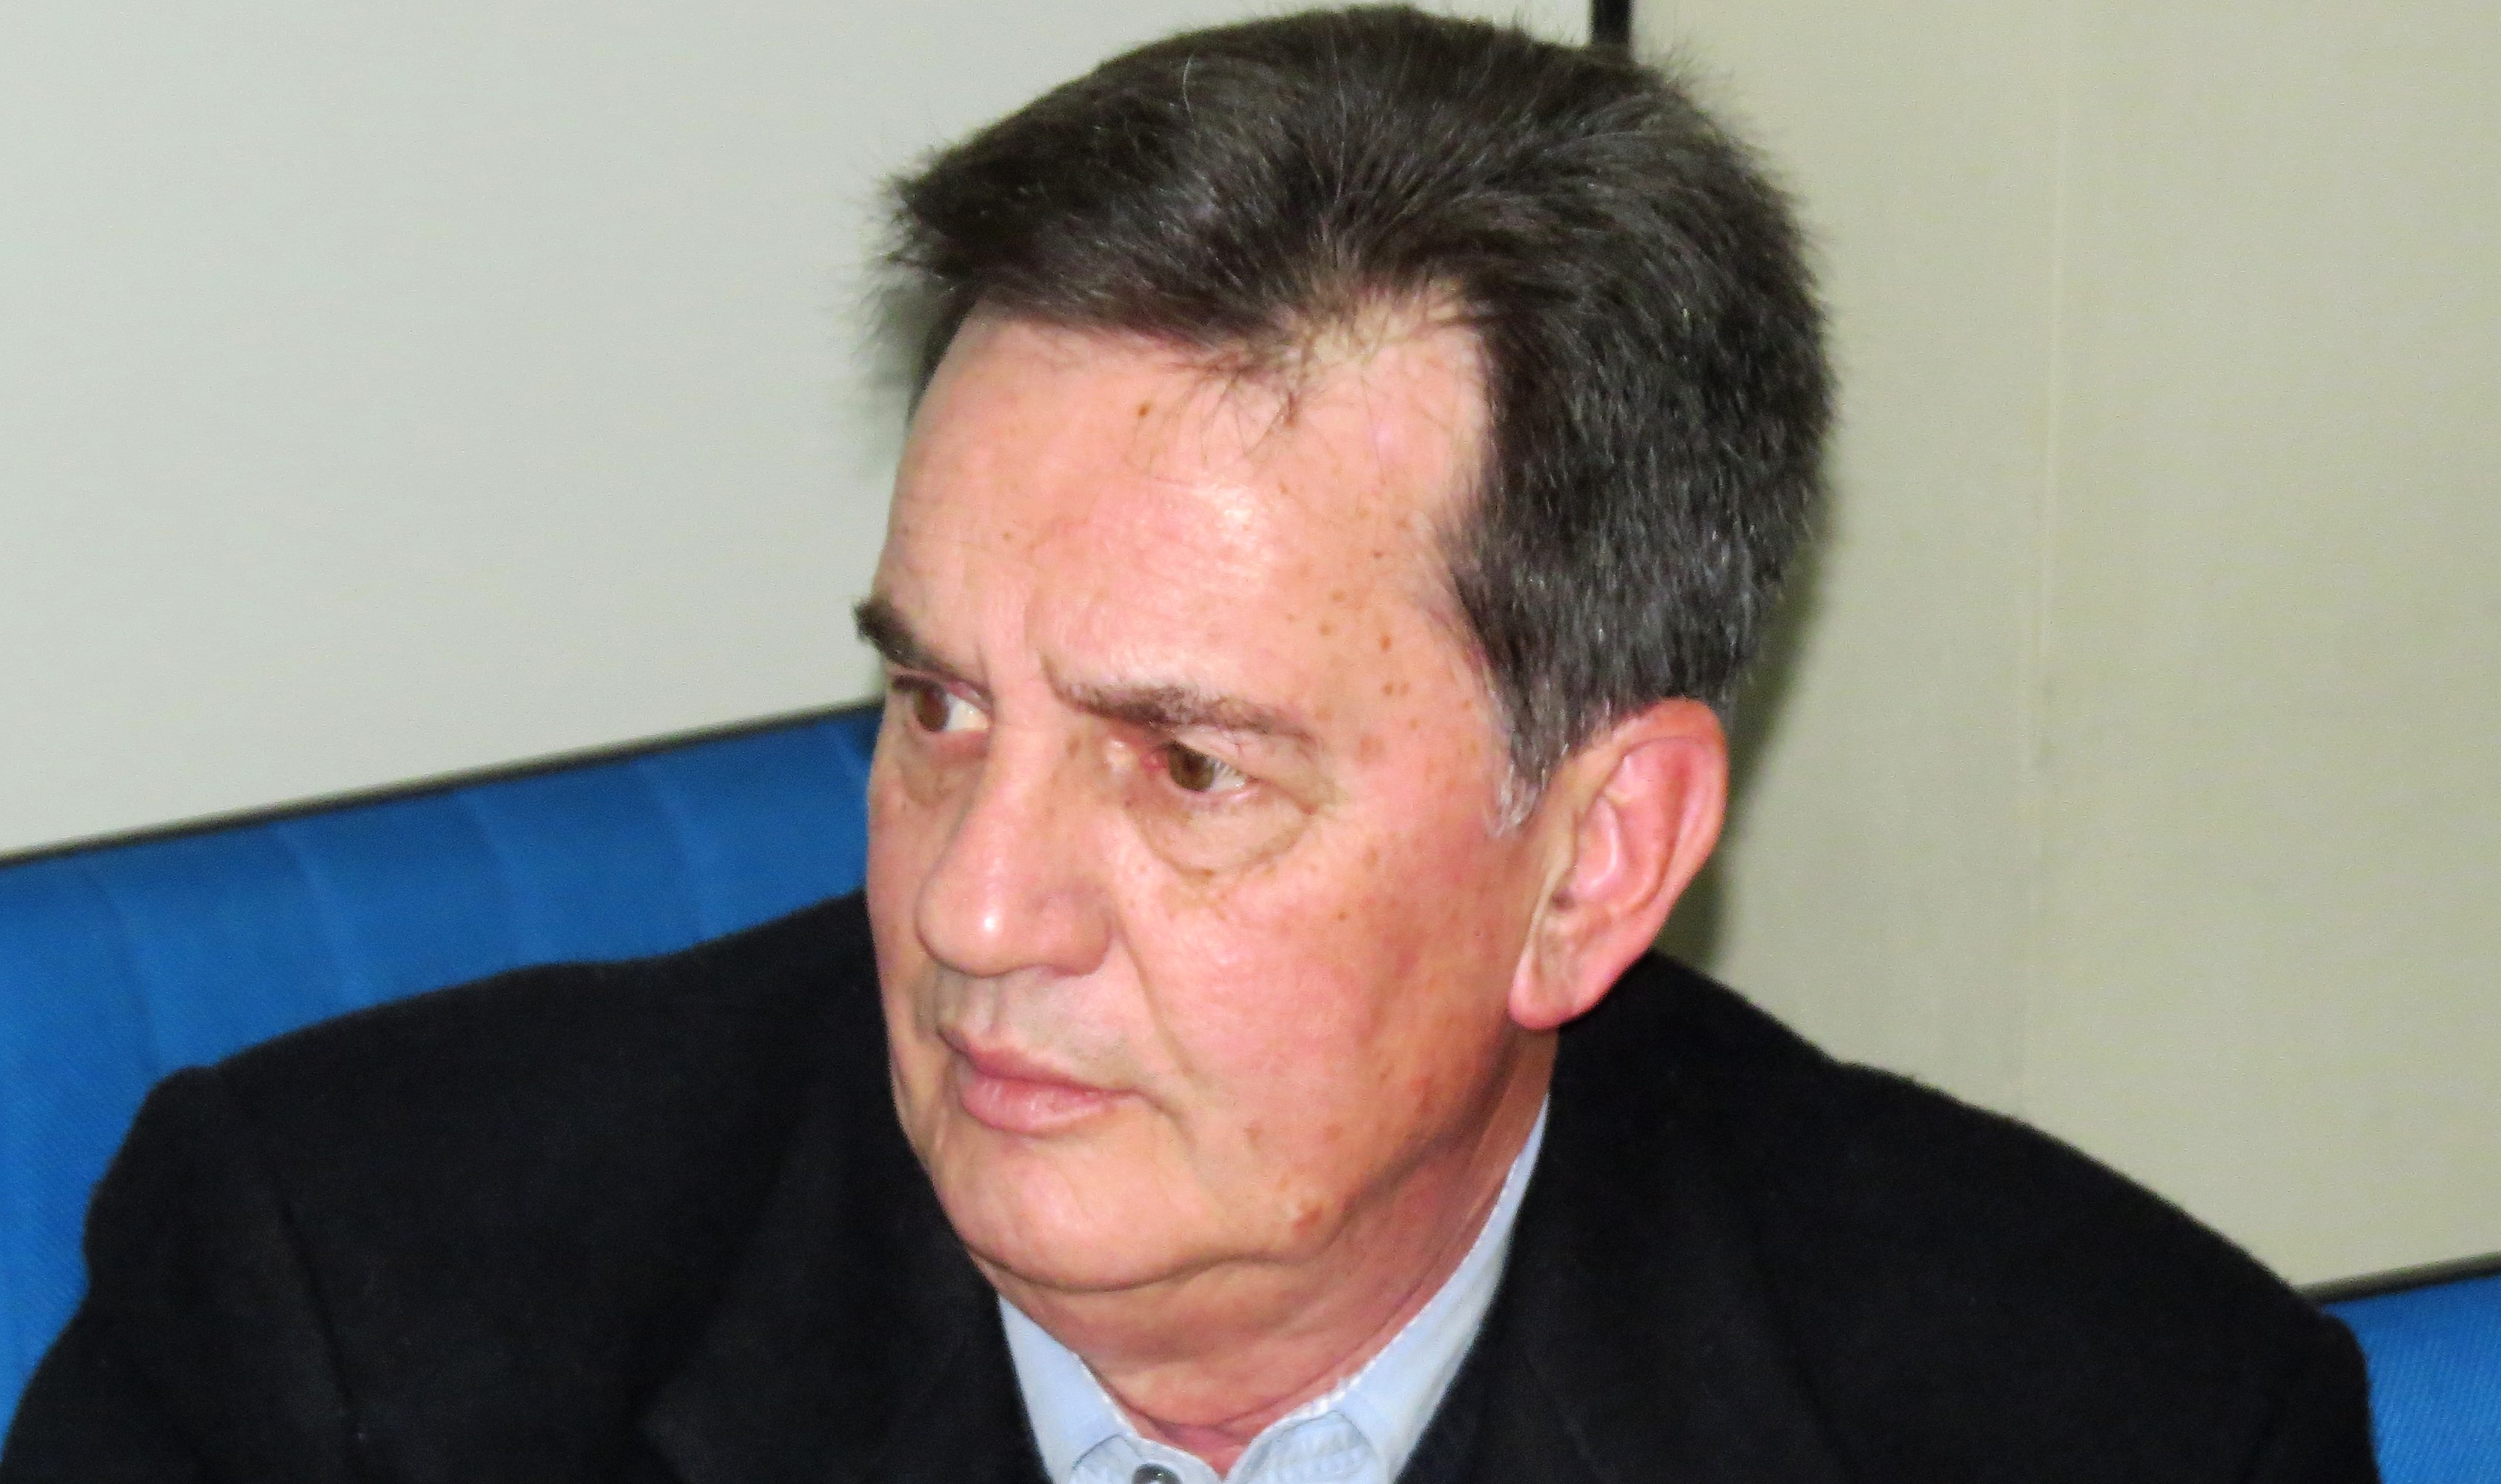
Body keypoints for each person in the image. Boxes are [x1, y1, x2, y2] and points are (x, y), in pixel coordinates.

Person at [1, 7, 2375, 1483]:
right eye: (938, 703)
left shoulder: (2116, 1421)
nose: (969, 904)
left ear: (1595, 857)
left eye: (1187, 767)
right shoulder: (341, 1321)